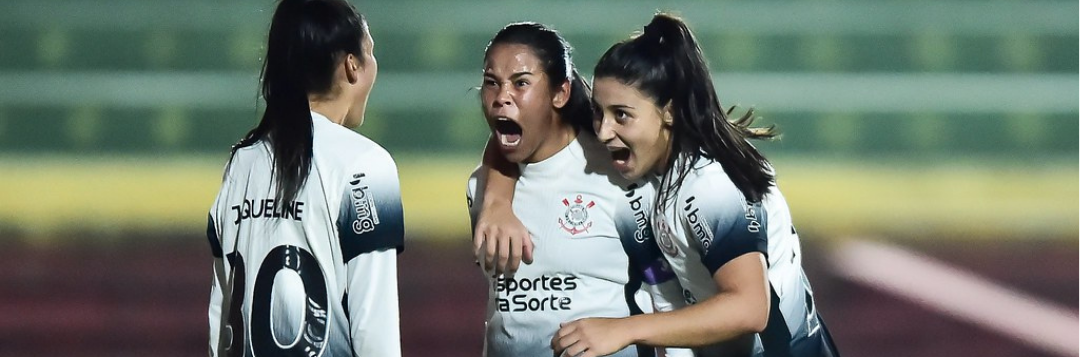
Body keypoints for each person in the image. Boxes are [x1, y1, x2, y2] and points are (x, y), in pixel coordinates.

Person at [551, 13, 839, 357]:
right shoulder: (642, 185)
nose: (602, 131)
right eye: (599, 112)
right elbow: (668, 304)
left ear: (669, 112)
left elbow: (750, 308)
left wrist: (622, 330)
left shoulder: (711, 187)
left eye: (622, 115)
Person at [466, 22, 686, 357]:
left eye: (521, 83)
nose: (501, 98)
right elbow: (501, 311)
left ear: (561, 93)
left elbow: (667, 297)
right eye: (491, 83)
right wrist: (496, 200)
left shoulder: (618, 177)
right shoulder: (482, 187)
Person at [205, 0, 404, 356]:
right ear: (352, 66)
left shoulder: (241, 164)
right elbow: (375, 332)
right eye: (370, 53)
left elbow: (221, 325)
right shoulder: (366, 165)